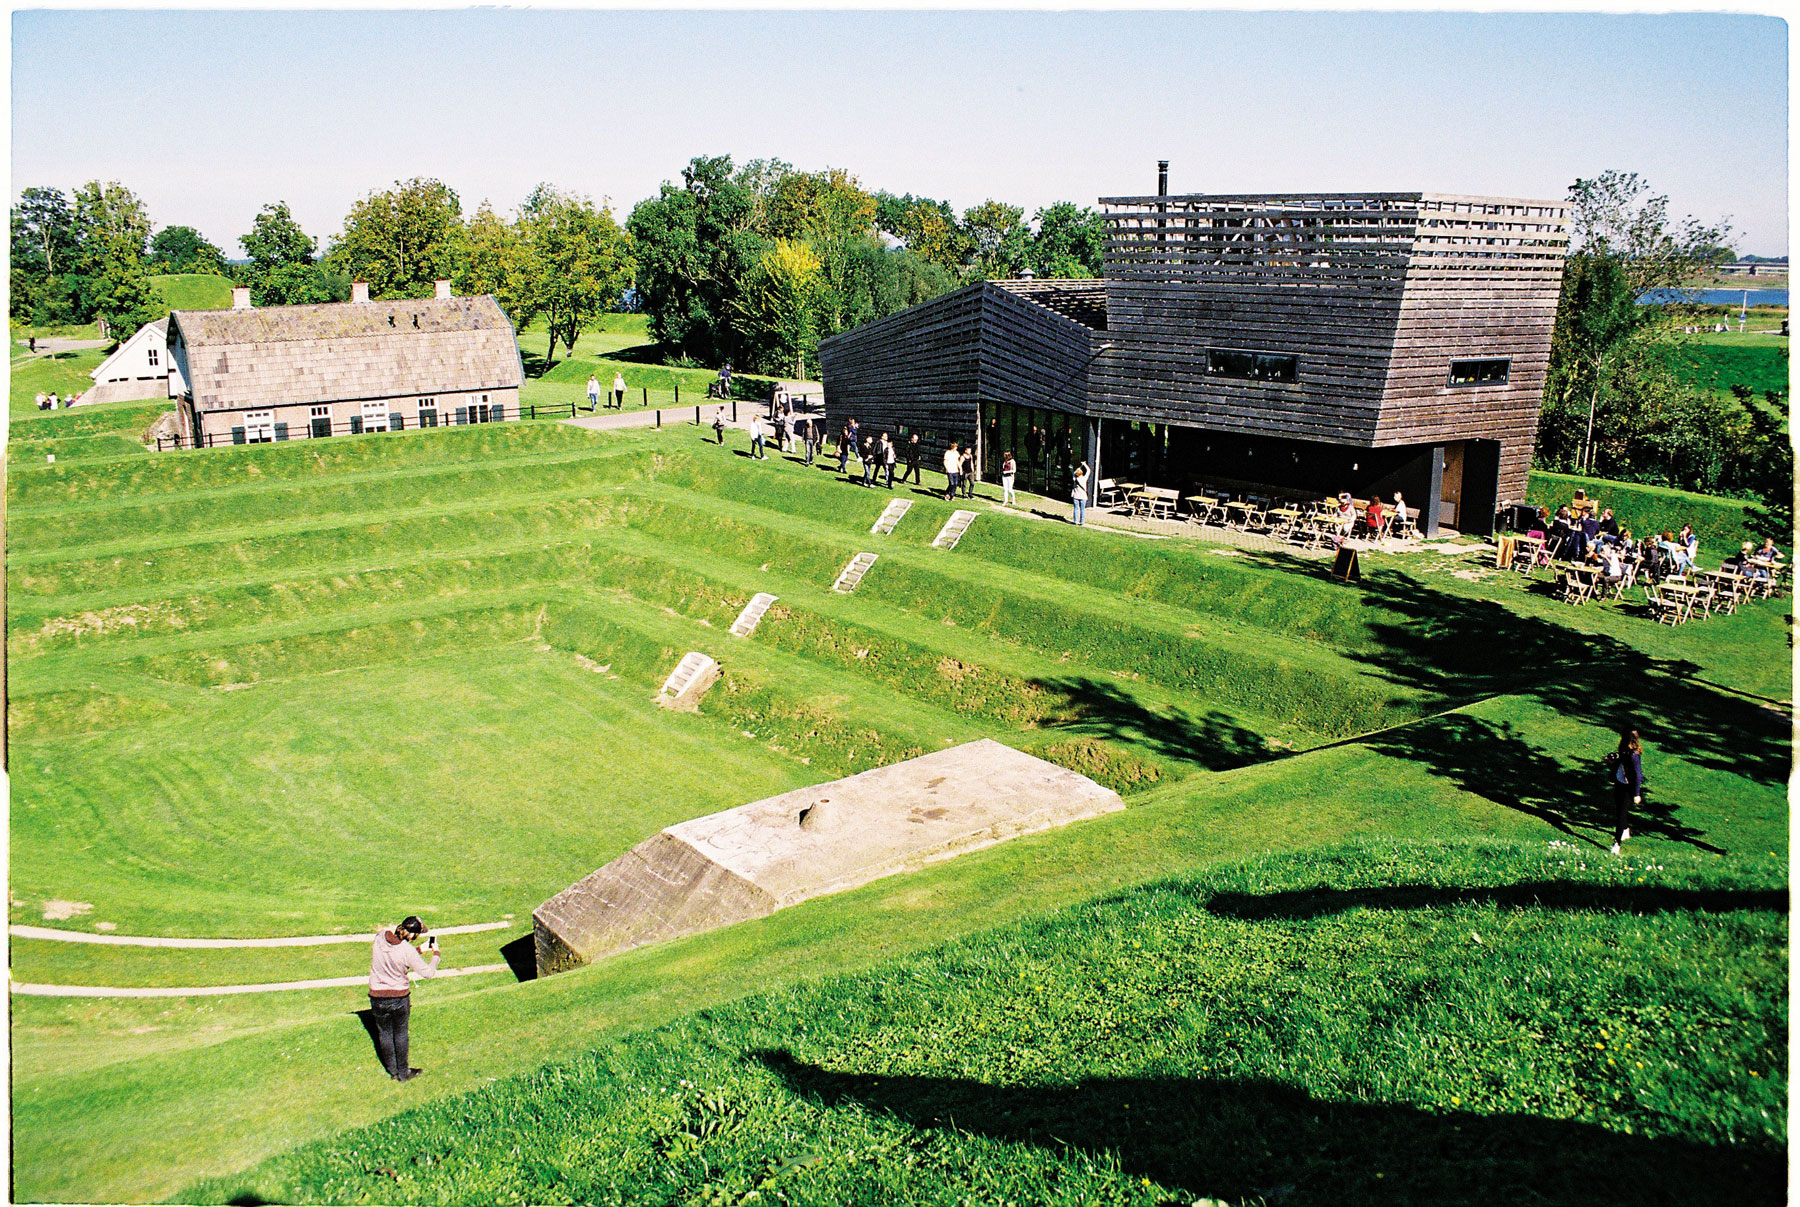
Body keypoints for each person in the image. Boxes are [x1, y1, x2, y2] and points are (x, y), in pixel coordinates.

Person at [368, 915, 441, 1081]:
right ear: (413, 935)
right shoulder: (406, 950)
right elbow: (428, 972)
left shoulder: (380, 937)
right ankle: (403, 1073)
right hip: (398, 998)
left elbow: (396, 957)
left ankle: (393, 1071)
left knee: (385, 1034)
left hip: (377, 996)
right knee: (400, 1034)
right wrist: (436, 954)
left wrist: (420, 949)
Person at [1606, 730, 1643, 855]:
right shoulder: (1624, 750)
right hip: (1619, 782)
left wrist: (1636, 794)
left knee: (1620, 815)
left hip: (1628, 787)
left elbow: (1638, 775)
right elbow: (1621, 763)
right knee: (1619, 810)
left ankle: (1616, 843)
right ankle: (1625, 829)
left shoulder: (1634, 755)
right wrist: (1612, 761)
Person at [1072, 460, 1090, 525]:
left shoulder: (1075, 479)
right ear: (1082, 473)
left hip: (1076, 496)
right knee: (1082, 510)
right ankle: (1082, 522)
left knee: (1076, 509)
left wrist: (1078, 468)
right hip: (1083, 496)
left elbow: (1074, 473)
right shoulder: (1084, 479)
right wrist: (1084, 464)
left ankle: (1075, 521)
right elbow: (1088, 471)